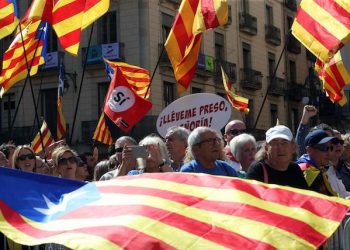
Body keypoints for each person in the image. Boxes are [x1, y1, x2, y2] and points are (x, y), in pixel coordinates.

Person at [296, 129, 338, 195]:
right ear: (309, 150)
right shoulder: (305, 172)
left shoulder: (319, 170)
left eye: (331, 148)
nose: (329, 153)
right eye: (324, 148)